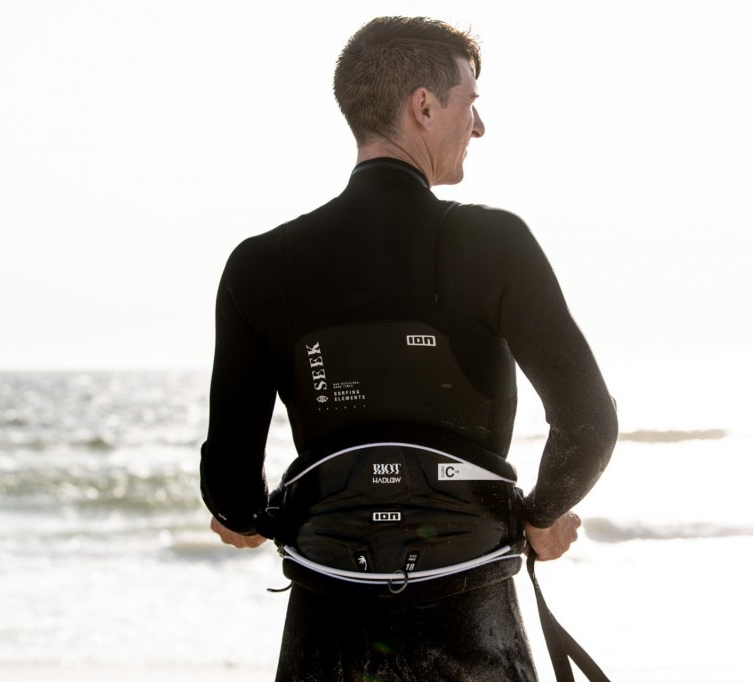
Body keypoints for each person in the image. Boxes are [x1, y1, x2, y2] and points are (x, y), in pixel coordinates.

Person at [200, 16, 617, 681]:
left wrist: (246, 516)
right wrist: (540, 516)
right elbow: (589, 422)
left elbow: (230, 485)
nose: (478, 127)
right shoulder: (494, 245)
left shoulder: (258, 265)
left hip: (327, 636)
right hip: (473, 629)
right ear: (423, 106)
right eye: (469, 103)